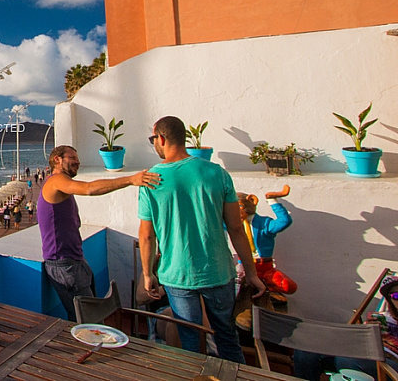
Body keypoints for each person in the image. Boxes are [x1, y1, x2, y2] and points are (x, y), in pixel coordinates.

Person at [139, 116, 266, 363]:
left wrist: (147, 274)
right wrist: (251, 274)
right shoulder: (216, 172)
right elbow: (236, 229)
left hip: (178, 275)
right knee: (227, 338)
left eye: (153, 139)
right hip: (217, 271)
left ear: (161, 139)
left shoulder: (152, 179)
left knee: (190, 341)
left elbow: (146, 234)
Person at [39, 144, 160, 322]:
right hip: (64, 265)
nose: (78, 162)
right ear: (57, 159)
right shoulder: (55, 181)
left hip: (74, 261)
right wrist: (130, 180)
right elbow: (89, 189)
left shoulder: (62, 185)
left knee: (91, 318)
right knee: (87, 322)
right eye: (72, 158)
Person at [293, 274, 398, 379]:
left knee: (346, 360)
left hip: (390, 364)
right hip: (364, 355)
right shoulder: (382, 318)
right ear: (389, 299)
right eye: (396, 296)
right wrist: (367, 332)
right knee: (307, 348)